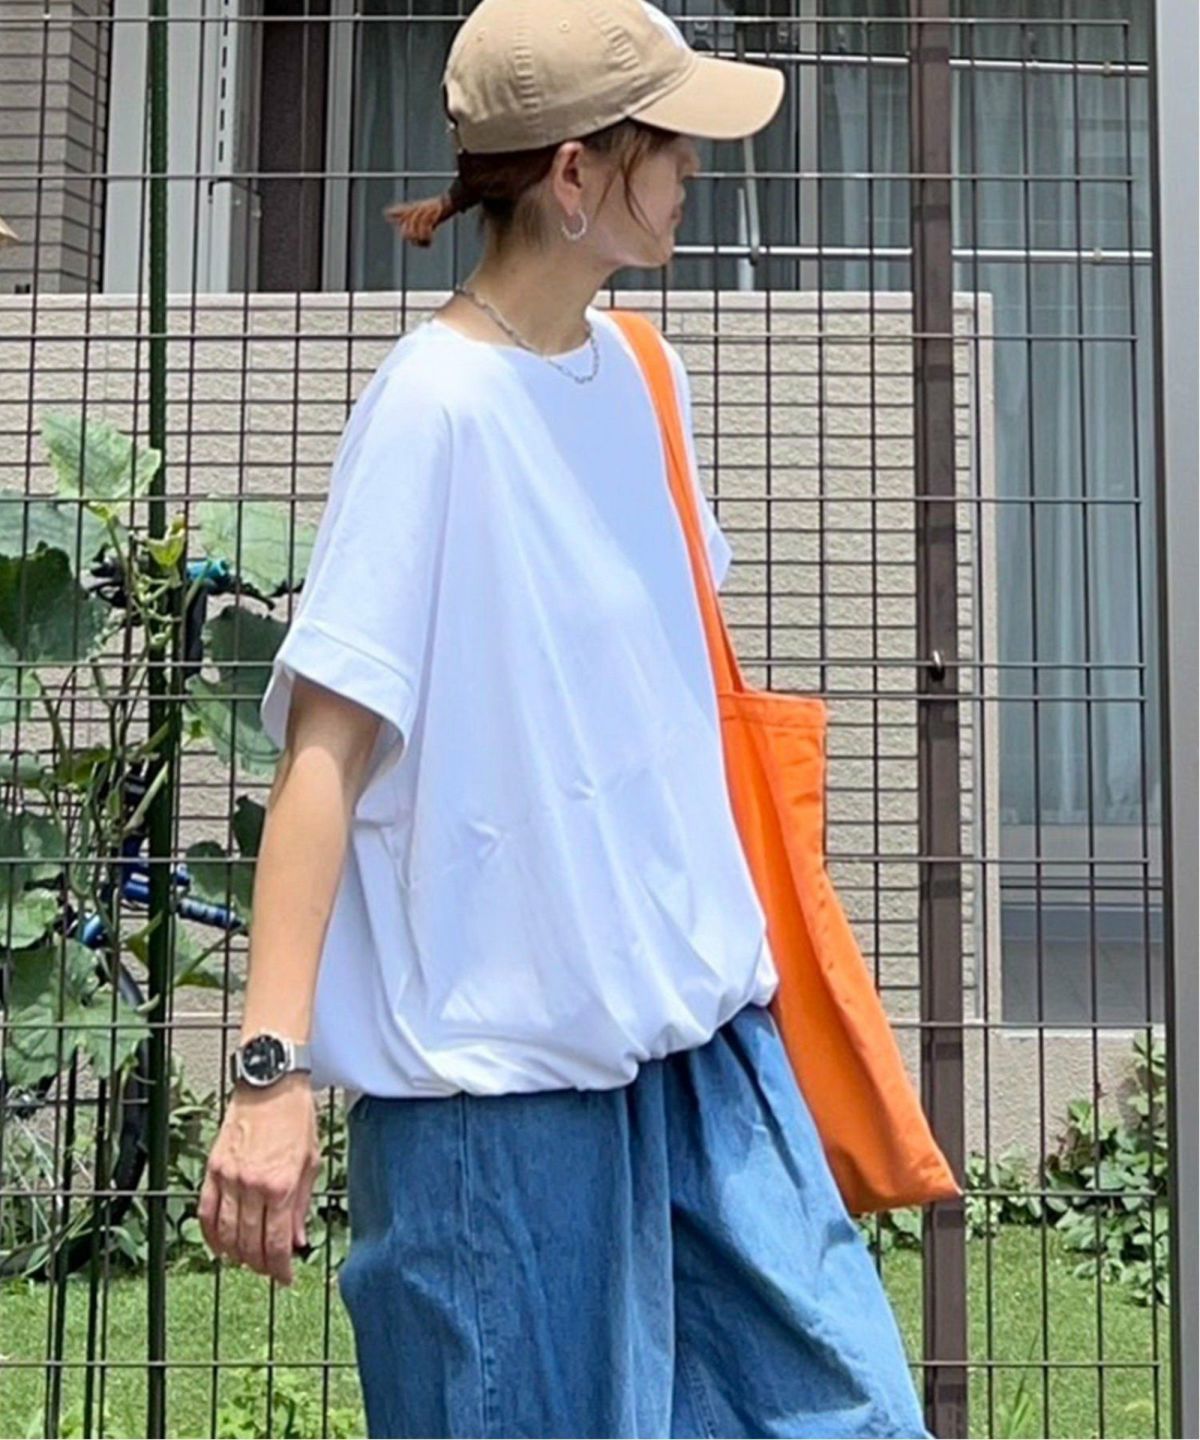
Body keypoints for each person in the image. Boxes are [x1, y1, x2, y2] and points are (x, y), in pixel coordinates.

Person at [198, 0, 935, 1435]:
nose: (696, 168)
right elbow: (323, 759)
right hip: (502, 1112)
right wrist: (268, 1079)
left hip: (708, 1066)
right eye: (668, 143)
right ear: (576, 175)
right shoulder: (432, 410)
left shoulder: (644, 376)